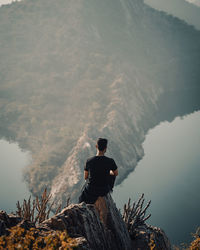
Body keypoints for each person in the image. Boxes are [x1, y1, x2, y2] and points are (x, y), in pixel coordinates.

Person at [79, 138, 118, 204]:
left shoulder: (89, 161)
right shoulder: (110, 161)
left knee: (81, 196)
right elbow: (116, 173)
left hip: (91, 190)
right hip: (104, 190)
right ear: (106, 148)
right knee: (112, 174)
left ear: (96, 146)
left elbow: (85, 177)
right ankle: (109, 190)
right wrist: (108, 172)